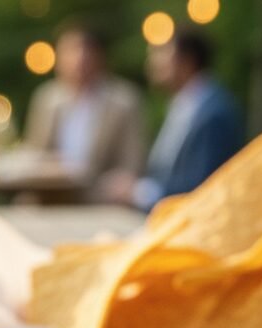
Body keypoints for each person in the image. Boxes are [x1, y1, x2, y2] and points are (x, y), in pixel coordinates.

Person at [103, 26, 243, 211]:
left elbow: (201, 190)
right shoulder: (187, 104)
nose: (151, 62)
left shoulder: (213, 114)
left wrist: (138, 192)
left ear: (187, 61)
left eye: (160, 53)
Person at [23, 24, 146, 201]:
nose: (79, 59)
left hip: (102, 194)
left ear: (100, 56)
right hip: (50, 193)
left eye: (86, 50)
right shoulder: (46, 98)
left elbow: (133, 161)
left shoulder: (124, 101)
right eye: (71, 51)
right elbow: (34, 152)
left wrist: (124, 180)